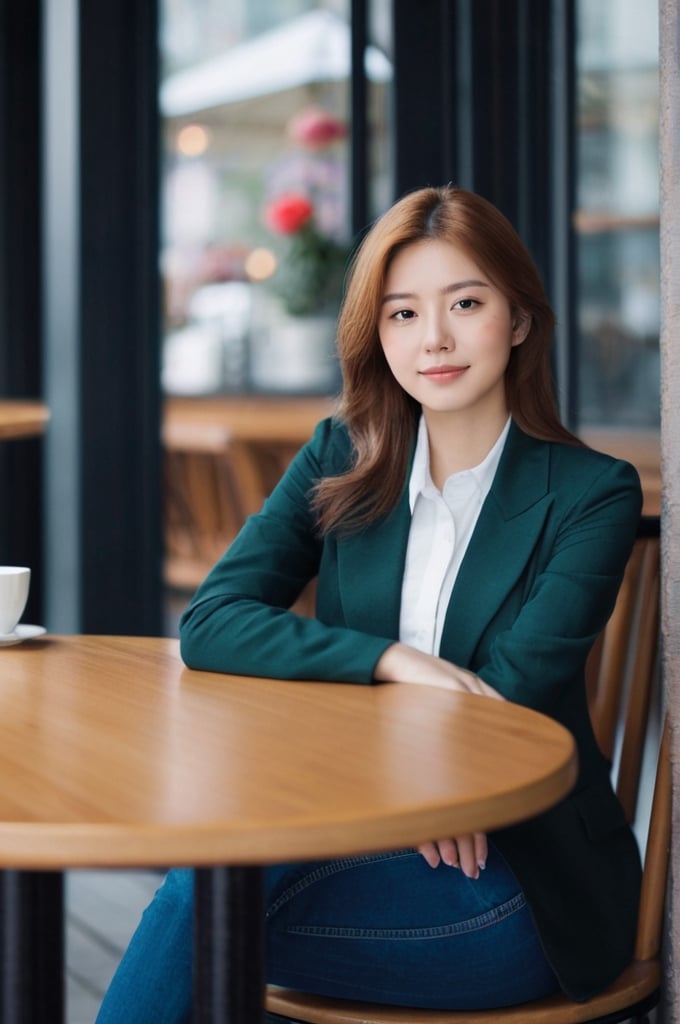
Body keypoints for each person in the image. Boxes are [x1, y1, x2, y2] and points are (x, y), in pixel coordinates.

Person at [96, 186, 643, 1023]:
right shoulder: (340, 456)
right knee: (213, 889)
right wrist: (393, 663)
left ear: (521, 319)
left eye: (466, 303)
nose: (435, 340)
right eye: (402, 314)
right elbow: (213, 622)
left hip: (515, 891)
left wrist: (437, 780)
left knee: (206, 905)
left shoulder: (590, 495)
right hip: (358, 835)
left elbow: (509, 705)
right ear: (375, 333)